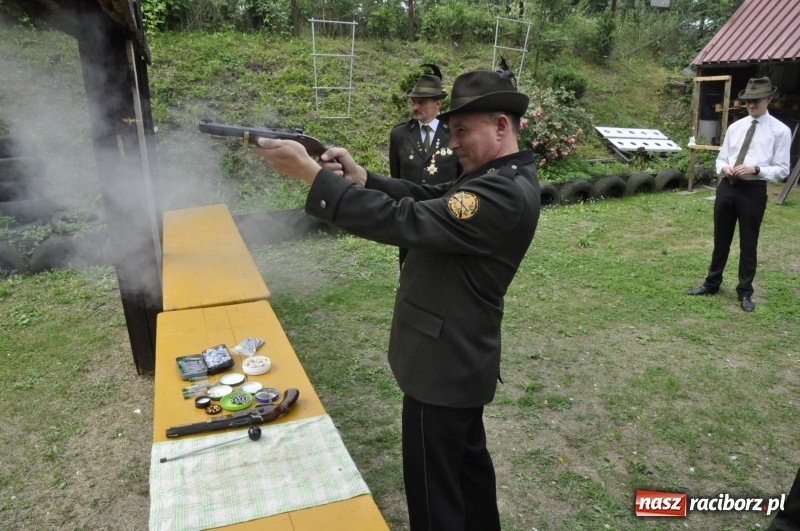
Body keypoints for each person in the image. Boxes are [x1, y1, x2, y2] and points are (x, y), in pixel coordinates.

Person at [254, 68, 540, 531]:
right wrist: (361, 177)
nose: (452, 144)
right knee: (466, 481)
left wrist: (312, 176)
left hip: (441, 366)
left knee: (435, 500)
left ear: (501, 126)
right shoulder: (500, 177)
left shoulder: (500, 191)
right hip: (456, 361)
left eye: (462, 131)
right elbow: (429, 198)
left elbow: (405, 222)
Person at [687, 76, 791, 312]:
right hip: (727, 187)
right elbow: (722, 158)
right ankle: (712, 283)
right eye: (748, 101)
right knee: (720, 239)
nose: (751, 105)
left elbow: (783, 169)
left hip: (753, 190)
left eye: (756, 101)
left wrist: (757, 169)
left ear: (769, 99)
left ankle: (745, 292)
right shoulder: (736, 127)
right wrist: (724, 168)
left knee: (748, 243)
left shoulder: (780, 131)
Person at [390, 64, 461, 268]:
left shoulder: (454, 133)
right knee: (410, 266)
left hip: (443, 216)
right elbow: (396, 178)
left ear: (438, 103)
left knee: (442, 267)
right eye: (413, 102)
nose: (415, 107)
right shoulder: (400, 134)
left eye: (422, 102)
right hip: (410, 214)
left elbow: (462, 177)